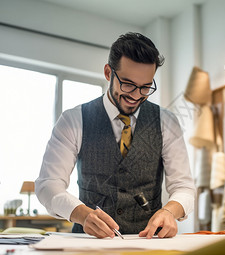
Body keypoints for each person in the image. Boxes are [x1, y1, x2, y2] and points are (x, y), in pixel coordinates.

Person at [36, 32, 195, 239]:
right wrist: (82, 214)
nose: (136, 95)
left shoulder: (167, 122)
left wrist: (169, 211)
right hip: (88, 243)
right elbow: (48, 185)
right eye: (128, 84)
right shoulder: (73, 120)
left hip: (149, 243)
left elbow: (184, 187)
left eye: (146, 87)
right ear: (108, 73)